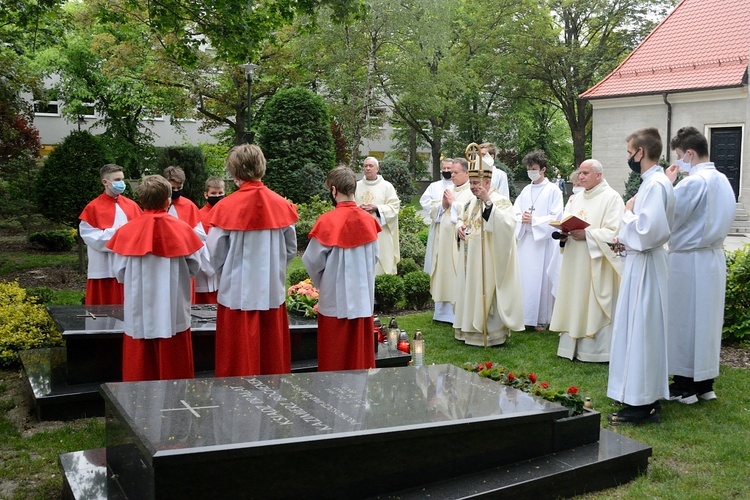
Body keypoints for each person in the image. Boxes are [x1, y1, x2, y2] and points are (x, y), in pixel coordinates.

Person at [206, 144, 298, 376]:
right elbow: (290, 248)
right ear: (262, 168)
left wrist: (224, 275)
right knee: (270, 356)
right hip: (270, 289)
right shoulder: (280, 204)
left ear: (234, 173)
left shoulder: (226, 206)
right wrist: (274, 269)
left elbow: (215, 251)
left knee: (236, 357)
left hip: (236, 291)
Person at [106, 175, 204, 382]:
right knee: (174, 353)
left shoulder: (126, 231)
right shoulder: (183, 229)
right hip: (173, 304)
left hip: (139, 304)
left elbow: (119, 271)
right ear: (168, 200)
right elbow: (195, 266)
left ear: (141, 201)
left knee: (140, 351)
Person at [607, 127, 674, 425]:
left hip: (646, 265)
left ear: (641, 152)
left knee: (641, 332)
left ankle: (642, 403)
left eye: (629, 152)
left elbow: (649, 232)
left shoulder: (655, 185)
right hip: (642, 263)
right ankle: (641, 396)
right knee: (639, 330)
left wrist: (626, 212)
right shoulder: (652, 183)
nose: (629, 158)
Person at [665, 127, 736, 403]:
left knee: (684, 321)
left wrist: (666, 186)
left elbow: (669, 217)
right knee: (706, 320)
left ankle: (684, 384)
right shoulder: (722, 180)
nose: (680, 161)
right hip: (712, 258)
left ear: (690, 153)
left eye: (680, 156)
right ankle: (705, 383)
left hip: (688, 258)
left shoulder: (693, 182)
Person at [302, 166, 381, 371]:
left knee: (334, 356)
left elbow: (312, 260)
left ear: (334, 190)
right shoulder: (368, 220)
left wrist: (322, 283)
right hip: (362, 299)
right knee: (359, 357)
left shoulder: (327, 221)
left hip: (334, 298)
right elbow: (374, 257)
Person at [549, 159, 625, 362]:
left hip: (595, 261)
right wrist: (564, 233)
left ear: (598, 175)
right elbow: (566, 220)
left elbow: (614, 232)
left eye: (585, 173)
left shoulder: (612, 198)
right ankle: (570, 347)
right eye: (580, 173)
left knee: (591, 302)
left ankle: (595, 351)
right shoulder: (576, 198)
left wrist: (588, 235)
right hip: (575, 259)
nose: (580, 177)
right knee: (575, 299)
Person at [453, 152, 524, 346]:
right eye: (472, 183)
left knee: (485, 288)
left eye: (477, 183)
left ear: (487, 182)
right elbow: (463, 218)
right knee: (470, 288)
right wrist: (459, 226)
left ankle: (490, 333)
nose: (474, 187)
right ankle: (467, 329)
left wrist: (489, 203)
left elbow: (508, 225)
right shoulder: (471, 201)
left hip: (488, 258)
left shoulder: (499, 200)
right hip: (471, 257)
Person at [513, 150, 564, 330]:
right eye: (528, 168)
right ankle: (523, 316)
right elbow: (515, 211)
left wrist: (534, 220)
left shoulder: (553, 190)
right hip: (526, 240)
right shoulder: (526, 190)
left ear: (543, 169)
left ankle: (540, 318)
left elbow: (557, 216)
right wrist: (522, 217)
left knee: (540, 280)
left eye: (533, 168)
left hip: (543, 243)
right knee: (524, 278)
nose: (530, 172)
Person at [79, 164, 142, 305]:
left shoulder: (132, 205)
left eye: (122, 179)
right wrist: (119, 233)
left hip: (128, 267)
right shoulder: (93, 207)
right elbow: (90, 236)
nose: (122, 183)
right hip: (104, 269)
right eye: (117, 179)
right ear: (105, 182)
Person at [429, 158, 474, 323]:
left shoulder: (471, 190)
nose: (452, 175)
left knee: (457, 273)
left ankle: (457, 313)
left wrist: (454, 204)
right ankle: (442, 313)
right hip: (443, 239)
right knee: (443, 272)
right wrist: (443, 204)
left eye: (456, 172)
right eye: (451, 172)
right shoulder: (448, 188)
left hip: (458, 242)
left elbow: (471, 212)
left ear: (466, 173)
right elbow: (434, 211)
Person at [355, 157, 400, 275]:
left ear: (377, 169)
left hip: (381, 232)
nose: (368, 168)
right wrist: (359, 208)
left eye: (371, 166)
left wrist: (377, 208)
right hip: (361, 231)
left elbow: (394, 207)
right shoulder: (356, 186)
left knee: (381, 263)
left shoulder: (387, 186)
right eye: (365, 166)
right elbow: (350, 204)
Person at [419, 158, 454, 273]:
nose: (446, 170)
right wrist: (441, 207)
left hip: (453, 227)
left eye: (449, 168)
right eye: (444, 168)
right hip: (438, 225)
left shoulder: (460, 185)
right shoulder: (434, 186)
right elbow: (424, 201)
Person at [195, 176, 225, 304]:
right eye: (213, 193)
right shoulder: (199, 214)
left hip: (223, 263)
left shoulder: (228, 212)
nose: (217, 196)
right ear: (206, 195)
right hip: (204, 264)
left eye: (220, 193)